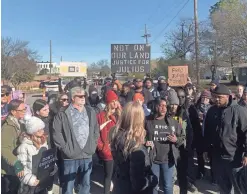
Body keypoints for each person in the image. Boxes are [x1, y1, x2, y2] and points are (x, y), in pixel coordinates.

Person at [52, 86, 100, 194]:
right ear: (73, 98)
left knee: (85, 184)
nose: (83, 98)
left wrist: (93, 144)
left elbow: (96, 129)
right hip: (70, 157)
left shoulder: (90, 111)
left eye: (84, 95)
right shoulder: (63, 113)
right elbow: (57, 133)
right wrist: (66, 149)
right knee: (68, 186)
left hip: (87, 154)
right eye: (80, 96)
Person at [204, 84, 247, 194]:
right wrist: (206, 150)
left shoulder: (239, 111)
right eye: (215, 97)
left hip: (235, 157)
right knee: (223, 188)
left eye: (220, 97)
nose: (216, 99)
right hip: (218, 157)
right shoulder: (212, 111)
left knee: (239, 188)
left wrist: (246, 154)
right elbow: (208, 133)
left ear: (228, 96)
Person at [110, 102, 158, 194]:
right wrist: (152, 180)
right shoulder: (136, 148)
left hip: (119, 186)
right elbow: (139, 184)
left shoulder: (117, 137)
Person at [145, 97, 185, 194]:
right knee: (153, 185)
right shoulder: (147, 121)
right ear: (155, 107)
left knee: (168, 186)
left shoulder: (172, 122)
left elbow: (182, 137)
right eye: (160, 105)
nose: (163, 108)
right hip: (153, 159)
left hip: (168, 159)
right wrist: (145, 142)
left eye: (165, 106)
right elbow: (139, 135)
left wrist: (176, 140)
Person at [17, 115, 53, 194]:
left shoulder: (44, 142)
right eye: (38, 130)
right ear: (32, 132)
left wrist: (52, 168)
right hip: (30, 186)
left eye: (42, 129)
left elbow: (47, 159)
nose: (42, 131)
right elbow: (19, 168)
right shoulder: (24, 147)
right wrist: (31, 180)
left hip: (42, 182)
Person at [97, 90, 121, 194]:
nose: (115, 103)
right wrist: (102, 148)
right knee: (108, 175)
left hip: (119, 149)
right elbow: (96, 133)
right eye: (113, 101)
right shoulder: (101, 116)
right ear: (108, 102)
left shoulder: (119, 114)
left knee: (117, 174)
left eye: (116, 101)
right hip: (107, 150)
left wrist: (120, 110)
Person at [2, 99, 26, 194]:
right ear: (13, 111)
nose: (25, 111)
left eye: (25, 109)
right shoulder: (7, 128)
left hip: (16, 169)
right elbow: (3, 149)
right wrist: (16, 163)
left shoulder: (18, 122)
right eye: (22, 110)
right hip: (8, 170)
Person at [176, 88, 197, 193]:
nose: (180, 99)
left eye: (182, 97)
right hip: (170, 149)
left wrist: (188, 146)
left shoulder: (186, 111)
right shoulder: (169, 111)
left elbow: (190, 131)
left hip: (183, 148)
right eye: (178, 97)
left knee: (183, 174)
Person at [189, 90, 212, 180]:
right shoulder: (195, 107)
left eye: (207, 98)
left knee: (210, 156)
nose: (205, 99)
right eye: (203, 97)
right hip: (198, 134)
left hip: (208, 135)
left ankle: (213, 174)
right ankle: (200, 170)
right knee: (199, 154)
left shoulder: (212, 108)